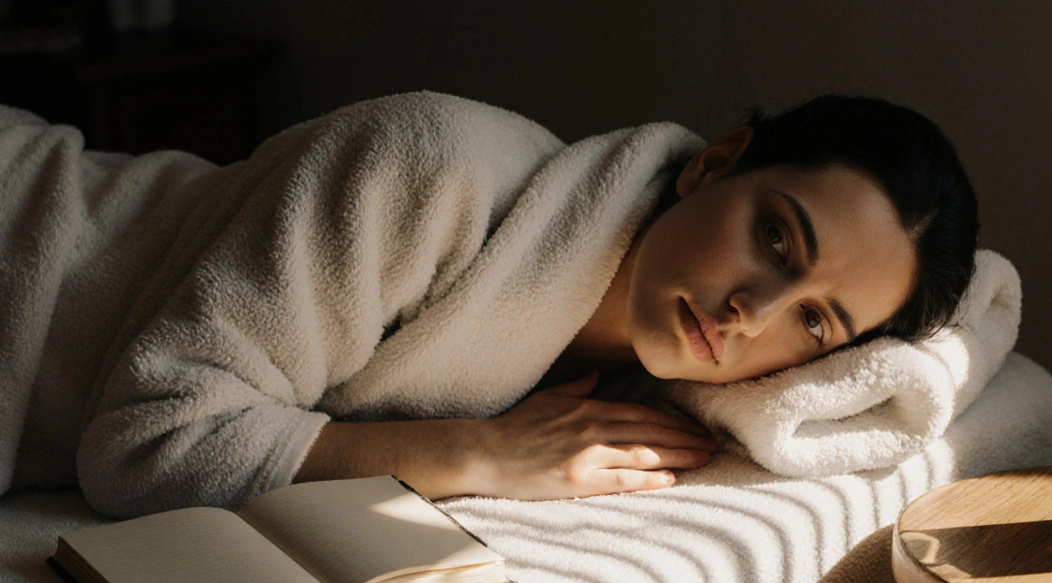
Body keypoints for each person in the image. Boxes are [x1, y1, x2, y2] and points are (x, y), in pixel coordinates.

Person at [0, 92, 977, 517]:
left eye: (813, 322)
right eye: (775, 237)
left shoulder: (647, 370)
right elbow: (146, 440)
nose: (750, 313)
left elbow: (986, 310)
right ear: (713, 163)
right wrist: (475, 452)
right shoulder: (429, 169)